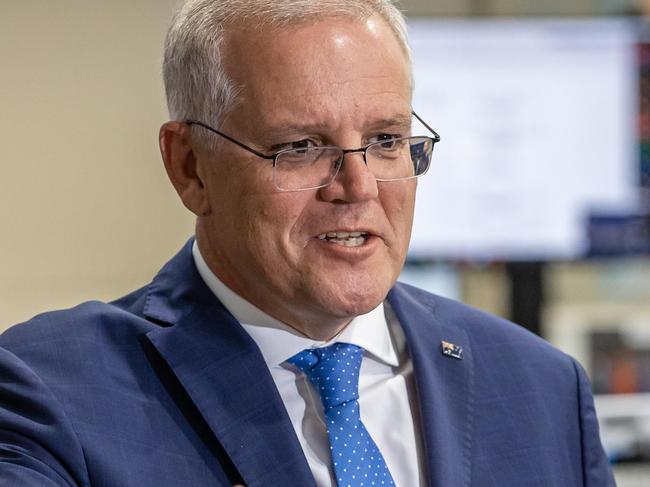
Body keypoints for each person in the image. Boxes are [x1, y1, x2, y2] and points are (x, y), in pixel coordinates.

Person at [0, 0, 615, 486]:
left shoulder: (542, 387)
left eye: (386, 140)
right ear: (190, 166)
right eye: (298, 147)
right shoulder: (51, 392)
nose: (358, 186)